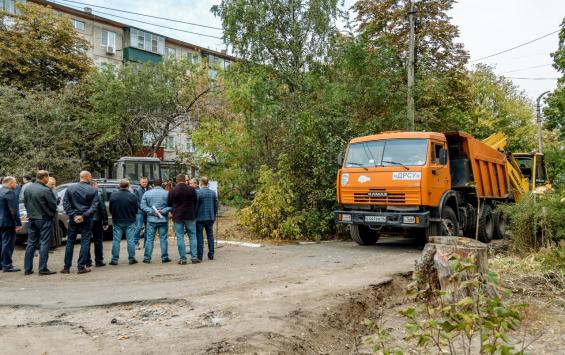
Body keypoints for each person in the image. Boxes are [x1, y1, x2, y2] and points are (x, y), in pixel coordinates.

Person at [62, 171, 99, 274]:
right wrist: (83, 216)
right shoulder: (93, 190)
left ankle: (66, 267)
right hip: (86, 218)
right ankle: (81, 266)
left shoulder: (70, 188)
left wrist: (73, 215)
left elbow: (65, 203)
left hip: (73, 218)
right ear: (87, 177)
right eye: (90, 176)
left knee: (70, 242)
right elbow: (94, 206)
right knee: (85, 241)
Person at [23, 170, 58, 275]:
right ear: (44, 177)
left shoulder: (28, 188)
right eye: (47, 177)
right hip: (43, 219)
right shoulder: (46, 190)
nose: (48, 179)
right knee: (44, 243)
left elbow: (25, 203)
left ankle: (27, 269)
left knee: (31, 243)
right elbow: (53, 205)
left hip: (32, 218)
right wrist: (50, 214)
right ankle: (42, 268)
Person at [167, 174, 198, 264]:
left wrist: (173, 212)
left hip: (178, 216)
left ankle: (183, 259)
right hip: (190, 215)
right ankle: (194, 257)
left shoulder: (173, 190)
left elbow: (169, 203)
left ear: (176, 180)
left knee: (180, 237)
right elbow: (195, 201)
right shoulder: (191, 189)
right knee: (192, 236)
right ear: (185, 180)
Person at [140, 179, 171, 263]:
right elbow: (171, 205)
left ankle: (147, 258)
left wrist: (152, 212)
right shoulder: (167, 193)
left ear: (153, 184)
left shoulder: (147, 193)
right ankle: (164, 257)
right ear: (161, 184)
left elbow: (142, 206)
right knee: (163, 239)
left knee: (149, 239)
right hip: (163, 219)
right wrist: (163, 211)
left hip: (151, 219)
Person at [109, 179, 139, 265]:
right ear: (128, 186)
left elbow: (111, 209)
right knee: (130, 240)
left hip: (117, 220)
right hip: (130, 220)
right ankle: (131, 258)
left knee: (116, 241)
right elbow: (136, 210)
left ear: (119, 185)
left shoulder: (113, 195)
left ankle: (114, 259)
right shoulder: (132, 196)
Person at [0, 176, 22, 272]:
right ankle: (7, 265)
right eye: (15, 183)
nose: (16, 184)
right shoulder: (9, 192)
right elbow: (13, 210)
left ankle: (1, 264)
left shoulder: (0, 191)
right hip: (7, 222)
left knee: (1, 243)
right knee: (8, 244)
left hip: (1, 221)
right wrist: (18, 223)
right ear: (10, 183)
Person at [195, 176, 218, 261]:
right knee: (210, 236)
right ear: (207, 183)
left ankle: (200, 256)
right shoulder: (213, 193)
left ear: (201, 183)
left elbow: (196, 206)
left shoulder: (198, 192)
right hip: (210, 217)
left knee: (200, 237)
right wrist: (214, 216)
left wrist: (194, 215)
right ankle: (211, 254)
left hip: (199, 218)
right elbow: (216, 206)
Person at [86, 181, 108, 267]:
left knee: (86, 241)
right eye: (97, 186)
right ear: (94, 186)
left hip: (87, 220)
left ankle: (88, 261)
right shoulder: (97, 195)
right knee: (98, 241)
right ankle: (99, 260)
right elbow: (102, 208)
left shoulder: (84, 194)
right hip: (97, 220)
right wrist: (105, 221)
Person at [133, 177, 150, 249]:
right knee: (138, 227)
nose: (145, 183)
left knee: (148, 228)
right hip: (139, 212)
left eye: (146, 182)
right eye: (143, 182)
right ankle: (135, 243)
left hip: (148, 212)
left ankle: (146, 244)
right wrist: (143, 207)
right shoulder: (137, 190)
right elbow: (136, 202)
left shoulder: (150, 189)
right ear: (140, 182)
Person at [46, 177, 62, 251]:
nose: (54, 186)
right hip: (51, 211)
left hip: (54, 210)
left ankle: (55, 243)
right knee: (52, 228)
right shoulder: (47, 190)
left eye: (54, 184)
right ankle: (52, 244)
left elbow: (56, 201)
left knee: (55, 227)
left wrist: (58, 200)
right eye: (52, 184)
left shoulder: (53, 190)